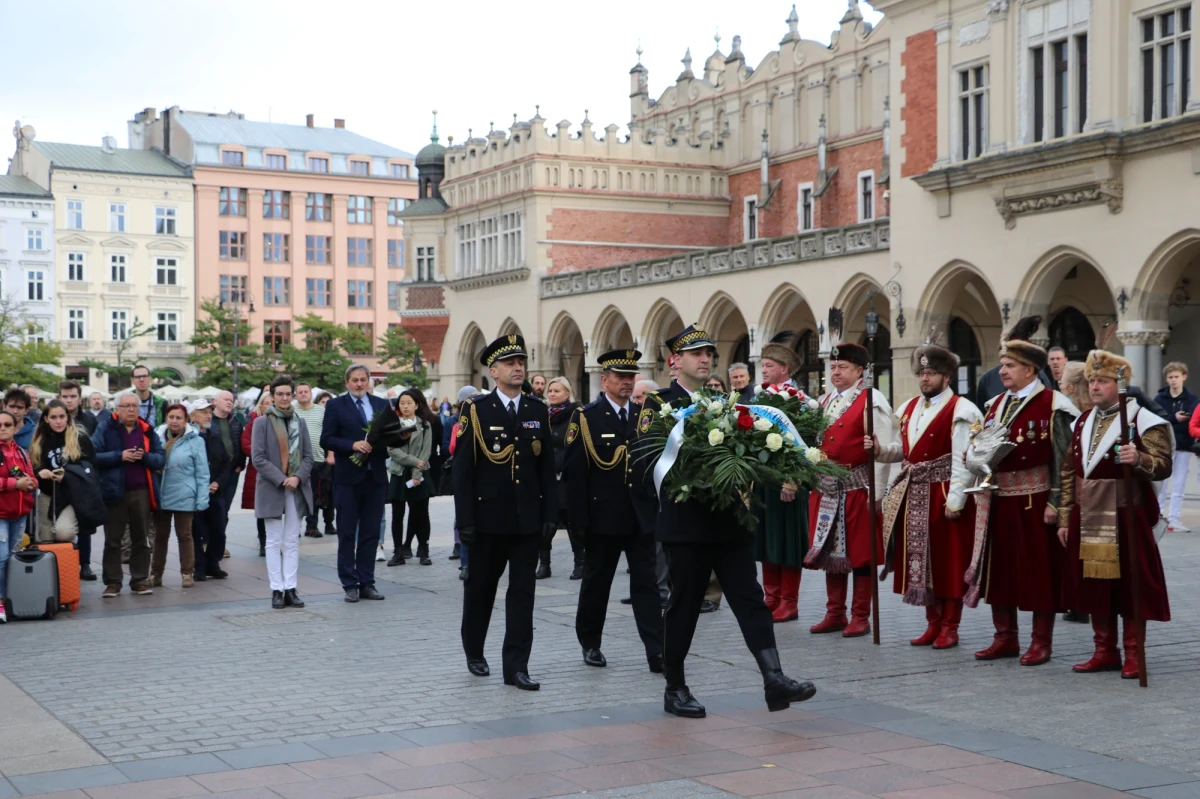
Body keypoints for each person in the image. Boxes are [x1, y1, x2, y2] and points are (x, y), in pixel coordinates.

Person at [633, 324, 815, 718]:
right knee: (683, 606)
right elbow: (645, 461)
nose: (705, 359)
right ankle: (675, 686)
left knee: (750, 600)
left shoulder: (727, 402)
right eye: (696, 353)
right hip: (685, 524)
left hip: (729, 520)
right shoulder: (657, 404)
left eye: (709, 354)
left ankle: (774, 678)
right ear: (674, 361)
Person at [969, 316, 1080, 665]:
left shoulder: (1054, 405)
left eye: (1010, 366)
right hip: (998, 499)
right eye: (1002, 365)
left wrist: (1056, 503)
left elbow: (1065, 459)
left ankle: (1040, 642)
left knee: (1036, 575)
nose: (1002, 371)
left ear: (1031, 369)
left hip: (1035, 501)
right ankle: (1005, 637)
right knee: (1000, 572)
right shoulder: (995, 405)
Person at [1058, 349, 1173, 679]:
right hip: (1088, 514)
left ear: (1120, 385)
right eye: (1092, 381)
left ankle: (1134, 652)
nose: (1094, 387)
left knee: (1131, 585)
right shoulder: (1081, 421)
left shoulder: (1143, 421)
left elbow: (1163, 465)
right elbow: (1068, 471)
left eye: (1103, 382)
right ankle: (1104, 650)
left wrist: (1138, 458)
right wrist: (1066, 516)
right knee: (1094, 586)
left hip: (1126, 515)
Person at [454, 335, 556, 690]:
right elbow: (463, 471)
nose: (518, 368)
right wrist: (464, 521)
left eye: (521, 362)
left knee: (522, 596)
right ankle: (474, 650)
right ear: (493, 371)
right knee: (481, 589)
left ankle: (516, 667)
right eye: (510, 363)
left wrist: (549, 514)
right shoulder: (476, 410)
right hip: (487, 521)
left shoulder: (536, 409)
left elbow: (547, 468)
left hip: (526, 520)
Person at [870, 342, 982, 649]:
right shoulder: (908, 408)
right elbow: (905, 452)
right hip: (914, 492)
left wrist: (956, 499)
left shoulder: (962, 409)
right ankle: (932, 623)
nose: (925, 379)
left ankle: (950, 626)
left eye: (931, 373)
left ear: (947, 377)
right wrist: (881, 451)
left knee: (947, 561)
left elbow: (963, 457)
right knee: (923, 563)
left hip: (943, 492)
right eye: (922, 372)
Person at [567, 348, 663, 672]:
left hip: (640, 516)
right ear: (604, 379)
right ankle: (590, 642)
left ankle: (656, 649)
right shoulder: (586, 417)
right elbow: (575, 474)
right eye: (619, 377)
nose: (626, 382)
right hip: (602, 517)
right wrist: (577, 522)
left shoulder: (643, 418)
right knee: (597, 583)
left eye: (630, 377)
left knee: (646, 585)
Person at [806, 341, 894, 637]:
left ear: (860, 370)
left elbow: (882, 449)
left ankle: (860, 616)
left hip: (858, 487)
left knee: (861, 554)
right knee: (831, 552)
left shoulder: (872, 400)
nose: (836, 372)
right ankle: (835, 612)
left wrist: (879, 492)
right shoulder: (826, 400)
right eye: (833, 367)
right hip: (828, 488)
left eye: (843, 367)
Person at [322, 365, 392, 603]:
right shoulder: (335, 406)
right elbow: (326, 438)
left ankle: (367, 582)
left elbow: (389, 436)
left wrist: (401, 436)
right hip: (348, 479)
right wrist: (352, 445)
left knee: (371, 533)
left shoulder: (382, 405)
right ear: (347, 383)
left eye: (363, 380)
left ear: (369, 381)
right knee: (347, 532)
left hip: (376, 477)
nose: (359, 384)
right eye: (355, 380)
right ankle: (349, 583)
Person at [753, 343, 810, 624]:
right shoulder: (760, 397)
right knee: (766, 539)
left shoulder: (799, 401)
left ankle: (789, 601)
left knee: (786, 541)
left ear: (784, 369)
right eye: (763, 365)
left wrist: (793, 480)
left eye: (770, 365)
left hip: (788, 483)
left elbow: (806, 444)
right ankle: (771, 598)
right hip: (765, 480)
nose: (764, 369)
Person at [93, 392, 165, 598]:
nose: (132, 409)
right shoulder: (105, 427)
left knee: (141, 538)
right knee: (113, 539)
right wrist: (119, 456)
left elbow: (160, 459)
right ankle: (113, 582)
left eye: (135, 406)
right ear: (117, 409)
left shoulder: (146, 430)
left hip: (141, 490)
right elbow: (92, 455)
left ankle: (140, 579)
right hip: (114, 491)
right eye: (126, 406)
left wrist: (145, 457)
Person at [253, 377, 314, 609]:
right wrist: (282, 479)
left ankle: (291, 588)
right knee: (273, 540)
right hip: (273, 487)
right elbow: (258, 458)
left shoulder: (301, 421)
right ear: (273, 395)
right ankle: (276, 589)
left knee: (292, 541)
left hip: (296, 487)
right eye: (280, 394)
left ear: (294, 395)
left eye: (289, 394)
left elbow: (309, 455)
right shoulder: (262, 422)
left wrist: (297, 477)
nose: (285, 398)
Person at [151, 404, 208, 588]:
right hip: (161, 493)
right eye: (171, 417)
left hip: (185, 493)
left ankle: (187, 573)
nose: (174, 421)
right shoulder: (156, 437)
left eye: (178, 418)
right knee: (160, 536)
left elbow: (202, 472)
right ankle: (156, 574)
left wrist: (202, 499)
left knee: (185, 535)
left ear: (186, 420)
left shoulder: (196, 440)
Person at [30, 399, 95, 545]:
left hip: (72, 495)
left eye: (62, 417)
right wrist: (41, 471)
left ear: (67, 417)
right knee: (45, 539)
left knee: (63, 533)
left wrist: (68, 475)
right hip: (47, 494)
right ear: (46, 419)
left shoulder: (80, 437)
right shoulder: (39, 439)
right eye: (53, 417)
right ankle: (58, 567)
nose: (58, 421)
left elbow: (91, 466)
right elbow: (33, 466)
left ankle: (73, 559)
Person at [539, 376, 583, 580]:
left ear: (567, 393)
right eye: (550, 391)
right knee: (546, 524)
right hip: (548, 480)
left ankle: (580, 563)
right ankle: (544, 564)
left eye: (557, 391)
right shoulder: (544, 416)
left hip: (568, 478)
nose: (552, 394)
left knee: (573, 523)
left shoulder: (576, 415)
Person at [388, 388, 435, 566]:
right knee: (397, 514)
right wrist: (413, 462)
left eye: (409, 403)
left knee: (421, 513)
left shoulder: (424, 425)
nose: (406, 406)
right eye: (402, 403)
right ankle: (398, 552)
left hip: (420, 473)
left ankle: (424, 549)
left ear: (416, 405)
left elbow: (426, 450)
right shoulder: (393, 425)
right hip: (399, 472)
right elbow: (391, 449)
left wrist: (417, 472)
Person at [0, 409, 37, 622]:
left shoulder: (22, 452)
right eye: (0, 425)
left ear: (15, 428)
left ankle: (12, 599)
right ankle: (1, 601)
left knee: (12, 558)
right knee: (2, 557)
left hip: (20, 513)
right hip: (2, 514)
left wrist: (32, 483)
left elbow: (31, 477)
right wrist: (16, 484)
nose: (3, 428)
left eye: (7, 425)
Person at [1155, 362, 1197, 533]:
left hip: (1183, 446)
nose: (1173, 380)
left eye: (1176, 377)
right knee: (1161, 483)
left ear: (1184, 377)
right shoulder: (1159, 399)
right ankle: (1157, 516)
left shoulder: (1192, 400)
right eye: (1170, 377)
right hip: (1165, 444)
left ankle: (1174, 518)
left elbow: (1195, 419)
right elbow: (1155, 417)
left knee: (1179, 484)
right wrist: (1173, 418)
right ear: (1166, 379)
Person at [293, 383, 333, 538]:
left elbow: (329, 434)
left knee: (315, 495)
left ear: (311, 394)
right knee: (295, 495)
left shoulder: (321, 411)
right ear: (296, 394)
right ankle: (294, 528)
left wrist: (331, 454)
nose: (303, 394)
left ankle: (312, 526)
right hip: (296, 460)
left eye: (306, 391)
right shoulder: (291, 411)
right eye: (300, 391)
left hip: (317, 458)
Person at [242, 388, 272, 557]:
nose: (269, 406)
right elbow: (245, 443)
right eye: (266, 403)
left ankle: (274, 541)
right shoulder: (254, 422)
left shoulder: (282, 421)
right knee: (261, 508)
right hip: (258, 470)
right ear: (261, 405)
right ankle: (263, 541)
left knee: (275, 508)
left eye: (271, 403)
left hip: (277, 469)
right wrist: (259, 454)